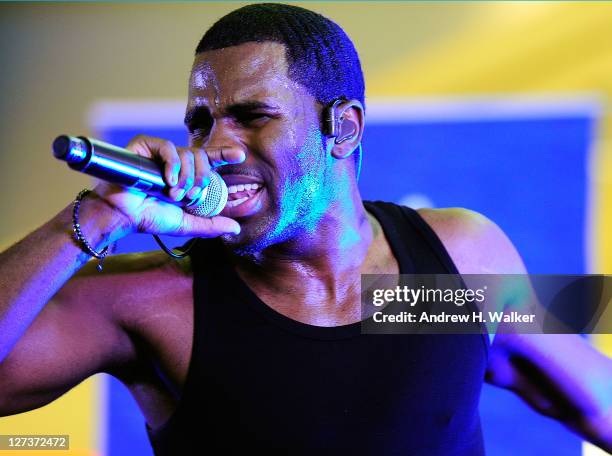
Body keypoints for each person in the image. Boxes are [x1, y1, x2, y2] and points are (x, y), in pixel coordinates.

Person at [0, 3, 610, 454]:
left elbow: (588, 397)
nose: (216, 147)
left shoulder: (450, 263)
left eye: (250, 117)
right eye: (201, 123)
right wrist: (98, 216)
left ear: (342, 128)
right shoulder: (155, 299)